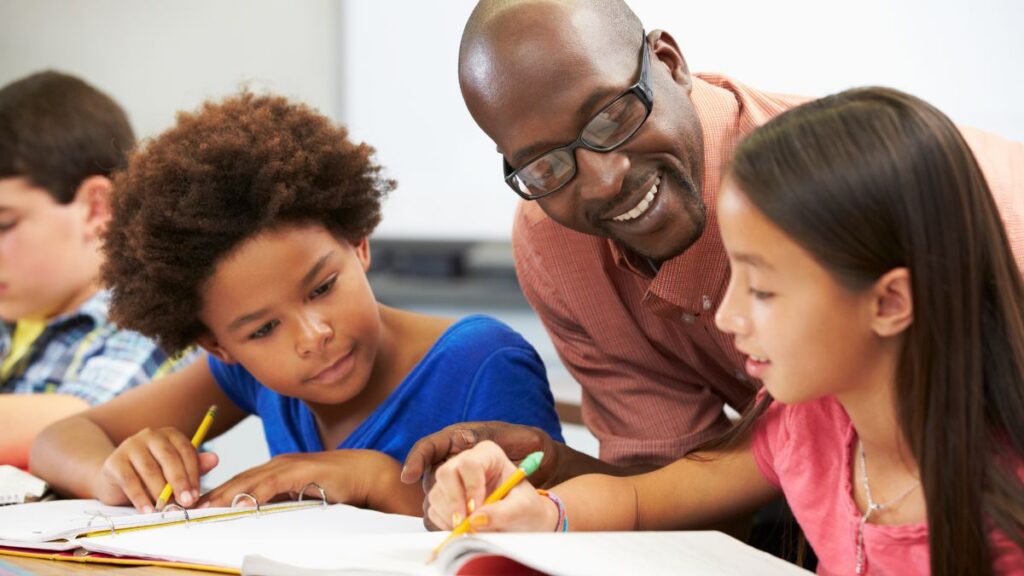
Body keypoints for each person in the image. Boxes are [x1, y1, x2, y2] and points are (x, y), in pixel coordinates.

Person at [401, 0, 1024, 492]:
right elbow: (676, 486)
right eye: (543, 165)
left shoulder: (885, 197)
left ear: (669, 63)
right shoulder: (554, 246)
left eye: (613, 116)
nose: (604, 178)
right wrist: (556, 472)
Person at [425, 87, 1024, 575]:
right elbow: (641, 498)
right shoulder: (811, 424)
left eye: (762, 290)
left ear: (890, 301)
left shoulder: (1004, 500)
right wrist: (543, 513)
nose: (729, 316)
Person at [29, 92, 563, 515]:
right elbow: (59, 438)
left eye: (323, 287)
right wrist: (113, 471)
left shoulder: (481, 362)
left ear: (358, 243)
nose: (312, 336)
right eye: (262, 330)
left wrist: (371, 479)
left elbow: (537, 524)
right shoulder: (244, 375)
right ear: (219, 344)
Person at [0, 71, 192, 468]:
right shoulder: (14, 314)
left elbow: (86, 427)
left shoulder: (154, 317)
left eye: (4, 225)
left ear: (96, 208)